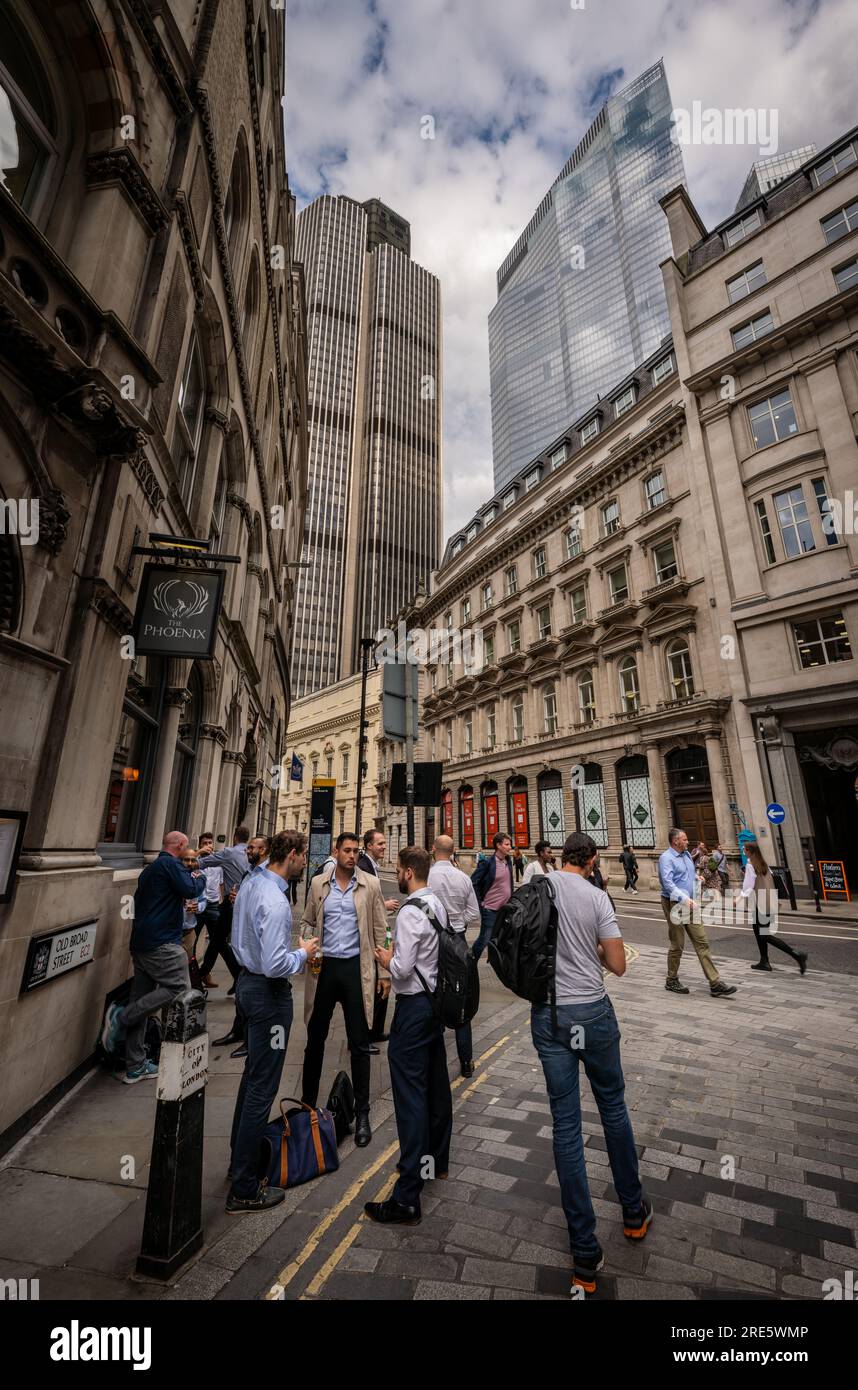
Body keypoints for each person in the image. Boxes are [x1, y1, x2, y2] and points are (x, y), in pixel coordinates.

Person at [532, 831, 652, 1295]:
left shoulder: (540, 888)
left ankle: (584, 1253)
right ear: (593, 859)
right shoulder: (598, 897)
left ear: (561, 858)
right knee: (613, 1110)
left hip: (549, 1016)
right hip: (592, 1013)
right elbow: (618, 964)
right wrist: (592, 950)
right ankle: (632, 1213)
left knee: (565, 1126)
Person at [226, 830, 318, 1213]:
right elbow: (275, 964)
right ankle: (245, 1187)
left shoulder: (252, 881)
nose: (304, 865)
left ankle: (238, 1163)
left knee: (252, 1078)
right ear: (293, 855)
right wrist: (304, 952)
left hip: (247, 986)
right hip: (269, 995)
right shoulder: (277, 902)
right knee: (263, 1088)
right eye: (302, 857)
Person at [365, 847, 453, 1225]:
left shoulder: (409, 911)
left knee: (410, 1096)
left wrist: (385, 959)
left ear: (406, 872)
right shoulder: (437, 903)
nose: (397, 874)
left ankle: (407, 1196)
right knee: (435, 1086)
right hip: (436, 1005)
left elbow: (401, 970)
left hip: (414, 1009)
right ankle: (436, 1163)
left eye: (398, 870)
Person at [300, 833, 390, 1147]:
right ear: (336, 852)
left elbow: (381, 931)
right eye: (346, 851)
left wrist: (384, 972)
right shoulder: (318, 884)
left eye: (355, 851)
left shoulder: (370, 885)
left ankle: (362, 1112)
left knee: (360, 1042)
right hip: (324, 970)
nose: (352, 856)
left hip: (355, 969)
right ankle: (307, 1107)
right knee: (315, 1040)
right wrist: (305, 944)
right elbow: (308, 922)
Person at [100, 831, 202, 1083]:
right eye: (186, 848)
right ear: (180, 846)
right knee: (179, 987)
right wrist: (199, 877)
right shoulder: (170, 865)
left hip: (141, 942)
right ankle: (121, 1017)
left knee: (143, 999)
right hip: (162, 943)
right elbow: (191, 888)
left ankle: (135, 1065)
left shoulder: (151, 868)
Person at [658, 828, 736, 998]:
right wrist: (684, 899)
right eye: (684, 839)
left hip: (690, 904)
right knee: (677, 944)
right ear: (675, 842)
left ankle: (715, 983)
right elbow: (668, 884)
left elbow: (688, 874)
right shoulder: (666, 858)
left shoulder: (686, 855)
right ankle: (671, 980)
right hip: (674, 904)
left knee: (702, 941)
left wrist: (696, 879)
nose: (688, 842)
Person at [428, 834, 481, 1078]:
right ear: (453, 851)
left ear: (433, 849)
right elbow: (474, 913)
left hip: (434, 941)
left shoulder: (427, 877)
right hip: (458, 940)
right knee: (461, 997)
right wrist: (457, 921)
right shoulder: (463, 877)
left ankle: (434, 1062)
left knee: (434, 994)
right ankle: (467, 1062)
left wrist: (439, 923)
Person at [216, 836, 271, 1058]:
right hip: (243, 946)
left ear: (264, 850)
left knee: (253, 998)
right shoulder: (250, 870)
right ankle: (239, 1031)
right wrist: (235, 898)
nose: (247, 850)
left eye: (252, 847)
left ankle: (250, 1040)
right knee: (242, 994)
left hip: (254, 949)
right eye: (248, 846)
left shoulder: (265, 874)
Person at [200, 827, 252, 1044]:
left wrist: (196, 854)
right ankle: (211, 974)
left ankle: (204, 974)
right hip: (234, 902)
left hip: (230, 904)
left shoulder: (230, 853)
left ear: (234, 838)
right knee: (220, 940)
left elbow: (203, 863)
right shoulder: (248, 855)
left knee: (219, 940)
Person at [358, 828, 399, 1047]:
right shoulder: (363, 867)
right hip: (371, 936)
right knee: (374, 983)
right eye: (380, 843)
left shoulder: (371, 866)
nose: (384, 846)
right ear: (369, 846)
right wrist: (385, 905)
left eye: (384, 843)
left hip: (378, 932)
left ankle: (374, 1031)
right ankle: (366, 1034)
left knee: (378, 983)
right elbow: (362, 903)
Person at [742, 842, 807, 975]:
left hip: (760, 904)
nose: (743, 850)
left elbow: (748, 886)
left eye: (744, 849)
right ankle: (764, 961)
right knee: (759, 933)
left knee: (764, 935)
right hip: (769, 903)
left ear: (749, 851)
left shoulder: (750, 865)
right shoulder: (764, 864)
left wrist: (738, 898)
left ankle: (797, 955)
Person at [471, 831, 514, 961]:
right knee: (484, 939)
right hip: (490, 910)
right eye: (507, 844)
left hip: (505, 910)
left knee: (502, 939)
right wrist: (480, 903)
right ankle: (470, 960)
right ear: (498, 845)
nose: (509, 847)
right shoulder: (488, 863)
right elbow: (473, 882)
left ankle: (498, 964)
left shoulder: (508, 861)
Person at [194, 834, 225, 987]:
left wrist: (222, 901)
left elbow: (221, 883)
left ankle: (205, 972)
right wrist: (199, 852)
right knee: (191, 941)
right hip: (197, 906)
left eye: (210, 843)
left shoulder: (218, 862)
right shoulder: (194, 861)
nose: (208, 845)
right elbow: (184, 865)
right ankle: (192, 975)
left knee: (217, 941)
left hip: (213, 905)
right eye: (204, 843)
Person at [180, 846, 208, 969]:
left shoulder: (198, 878)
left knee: (187, 966)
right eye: (186, 860)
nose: (190, 863)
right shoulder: (176, 877)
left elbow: (203, 900)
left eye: (193, 860)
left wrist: (198, 907)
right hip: (172, 932)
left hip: (189, 931)